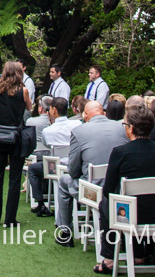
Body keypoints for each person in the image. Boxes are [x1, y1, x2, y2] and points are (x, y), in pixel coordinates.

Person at [93, 106, 155, 274]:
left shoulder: (120, 152)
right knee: (140, 201)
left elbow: (108, 190)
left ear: (131, 128)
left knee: (106, 203)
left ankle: (108, 258)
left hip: (128, 215)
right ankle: (141, 254)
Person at [54, 100, 128, 245]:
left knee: (64, 181)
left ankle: (65, 232)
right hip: (120, 188)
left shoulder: (79, 131)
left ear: (85, 115)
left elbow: (73, 170)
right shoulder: (122, 127)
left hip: (93, 192)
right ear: (103, 113)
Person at [0, 61, 33, 227]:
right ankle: (10, 219)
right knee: (14, 178)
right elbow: (30, 108)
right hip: (16, 137)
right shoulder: (24, 91)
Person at [28, 97, 78, 216]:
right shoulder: (76, 124)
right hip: (74, 164)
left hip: (55, 167)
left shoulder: (48, 131)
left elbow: (46, 144)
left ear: (54, 110)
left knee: (33, 169)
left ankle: (40, 203)